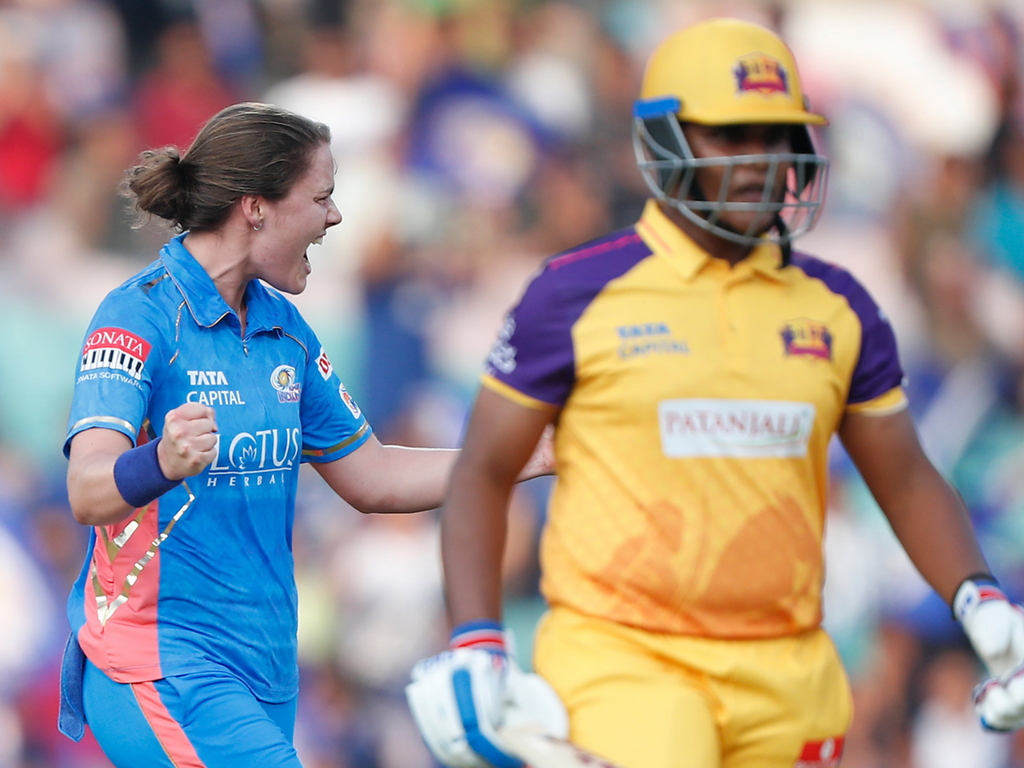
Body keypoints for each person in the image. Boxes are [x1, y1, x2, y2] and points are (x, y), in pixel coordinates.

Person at [405, 17, 1024, 768]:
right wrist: (476, 638)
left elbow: (905, 474)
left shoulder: (840, 307)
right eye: (731, 136)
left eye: (776, 135)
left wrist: (979, 599)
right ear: (663, 141)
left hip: (790, 672)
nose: (760, 159)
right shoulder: (572, 294)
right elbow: (482, 469)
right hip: (625, 658)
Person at [58, 101, 550, 768]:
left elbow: (375, 476)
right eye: (321, 198)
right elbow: (87, 490)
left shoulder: (284, 329)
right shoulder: (138, 316)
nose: (335, 216)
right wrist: (162, 461)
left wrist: (530, 452)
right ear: (255, 208)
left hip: (264, 673)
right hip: (160, 665)